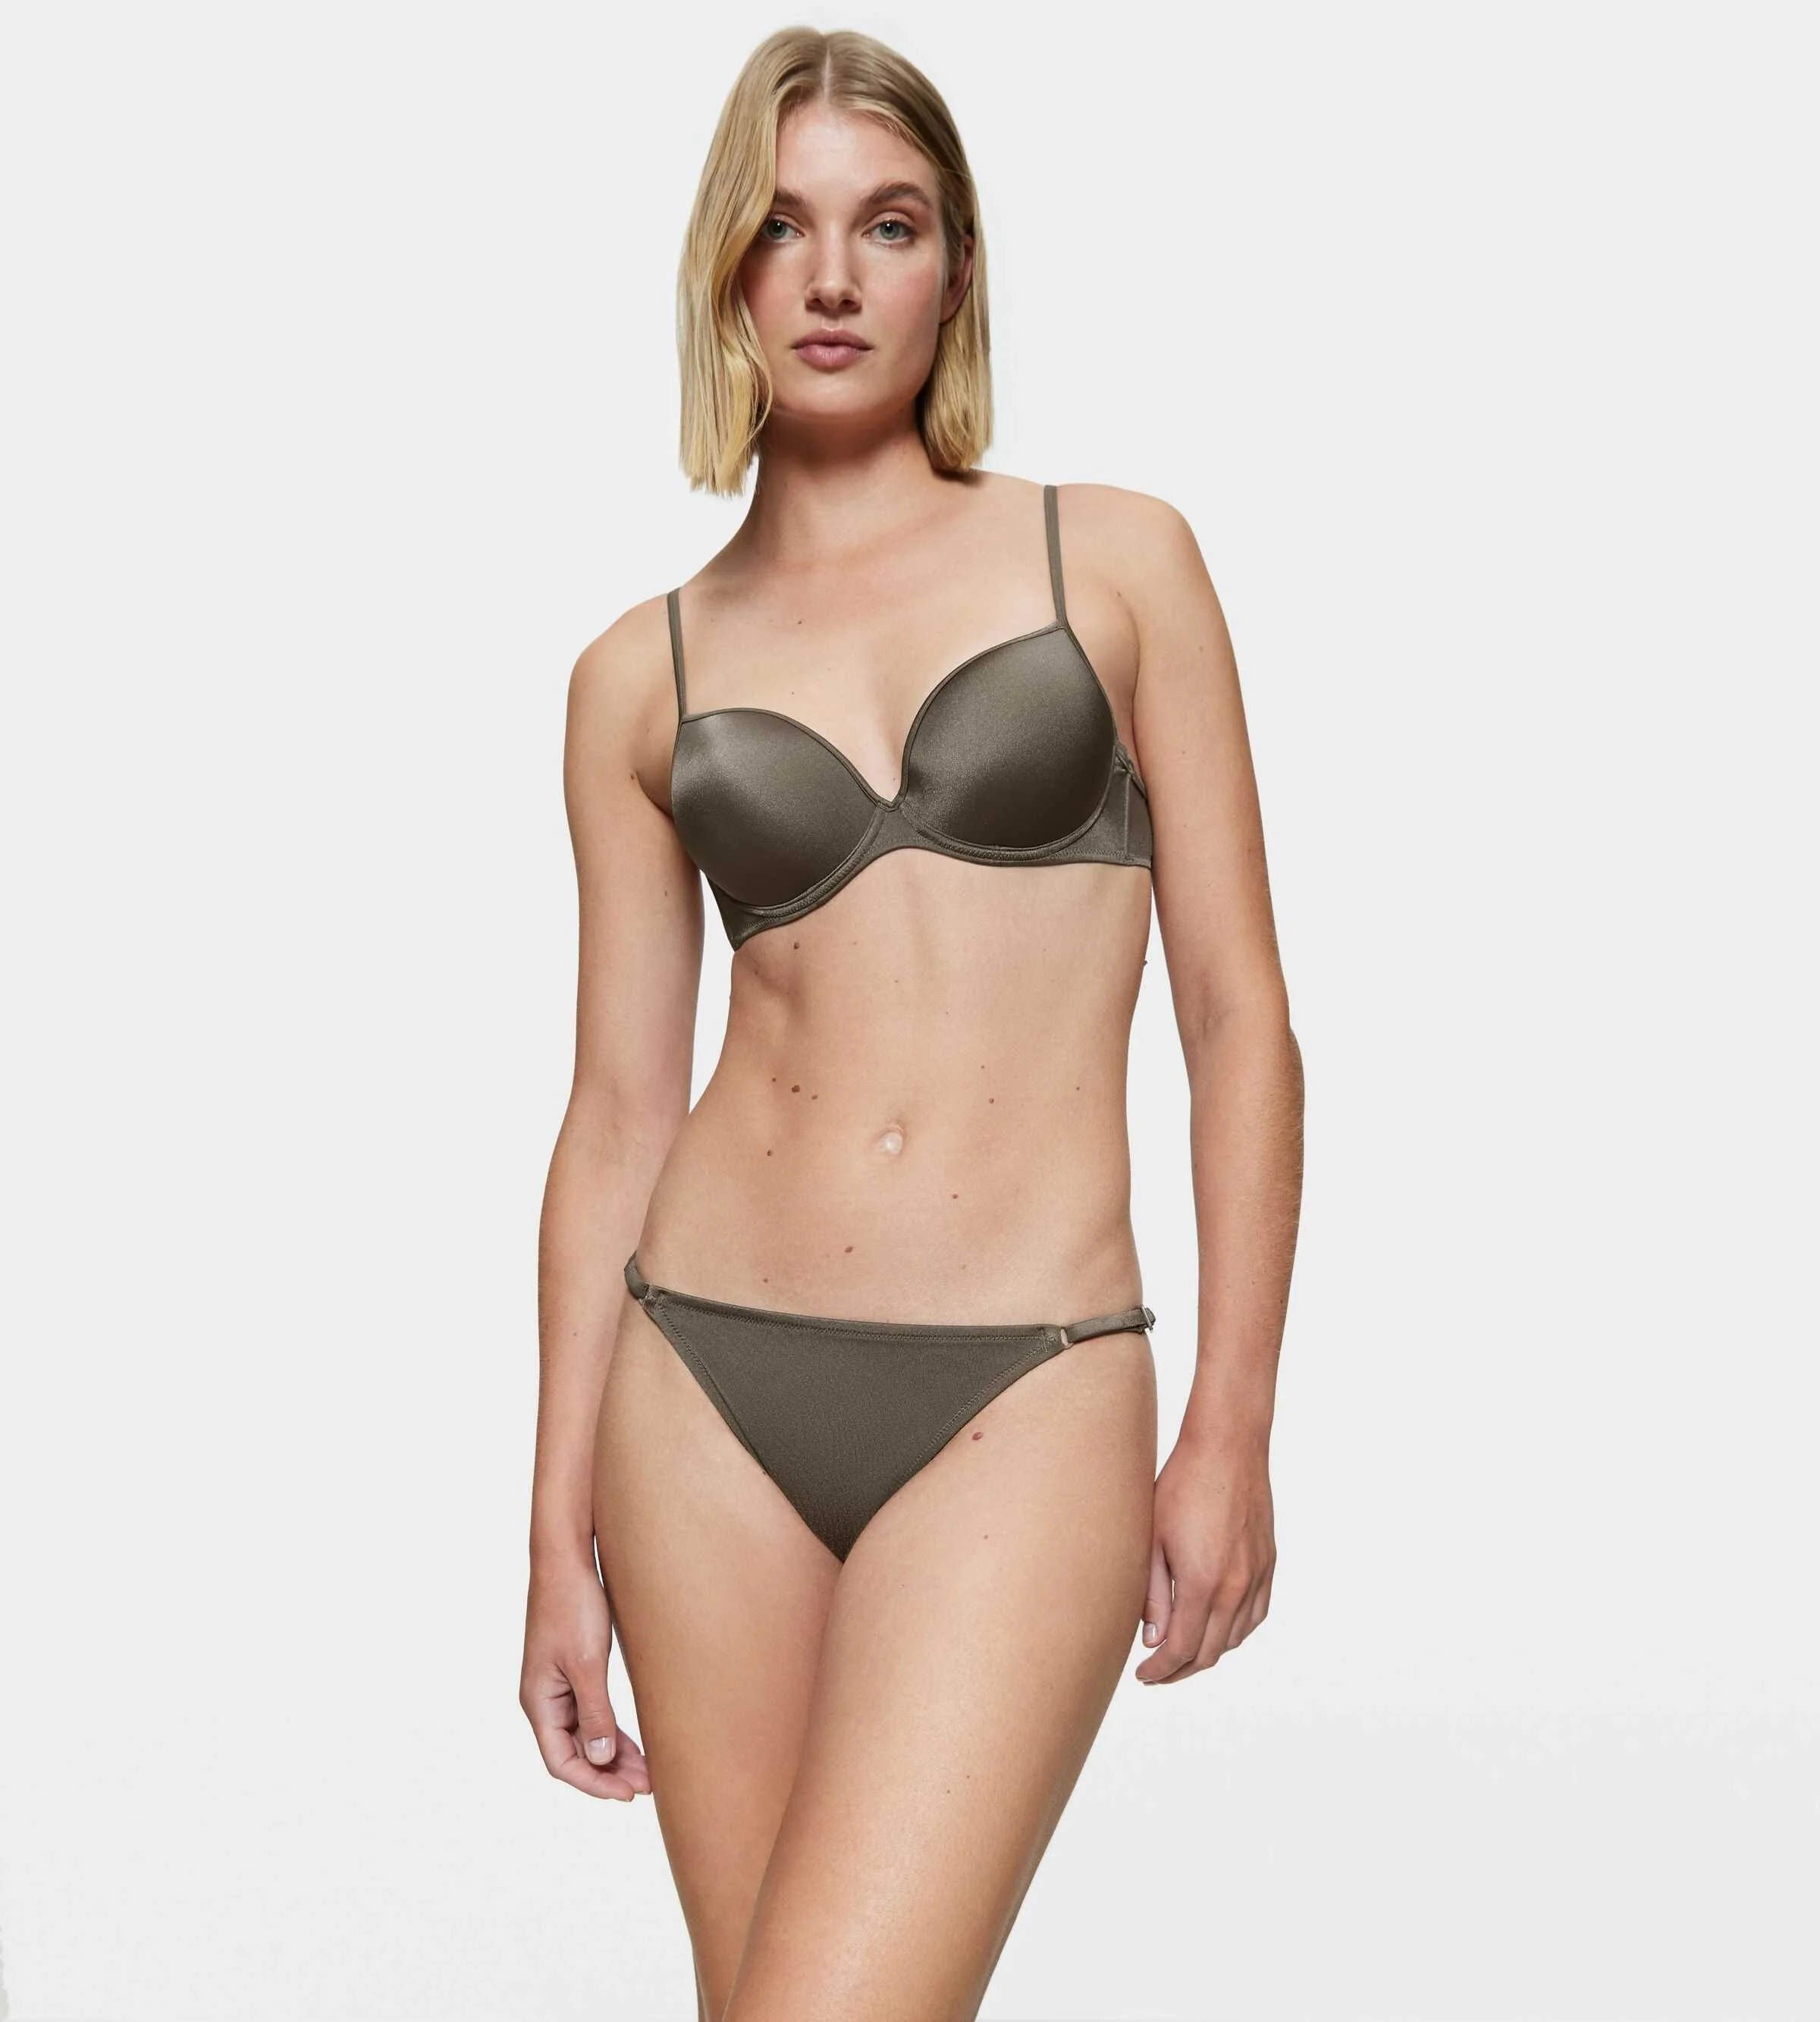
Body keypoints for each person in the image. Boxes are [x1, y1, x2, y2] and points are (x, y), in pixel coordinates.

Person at [522, 26, 1303, 2020]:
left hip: (1024, 1383)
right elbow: (616, 1110)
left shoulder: (1116, 562)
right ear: (726, 273)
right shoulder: (637, 675)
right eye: (782, 228)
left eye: (890, 225)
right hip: (701, 1391)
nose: (835, 276)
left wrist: (1230, 1423)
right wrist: (551, 1532)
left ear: (956, 272)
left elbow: (1239, 1018)